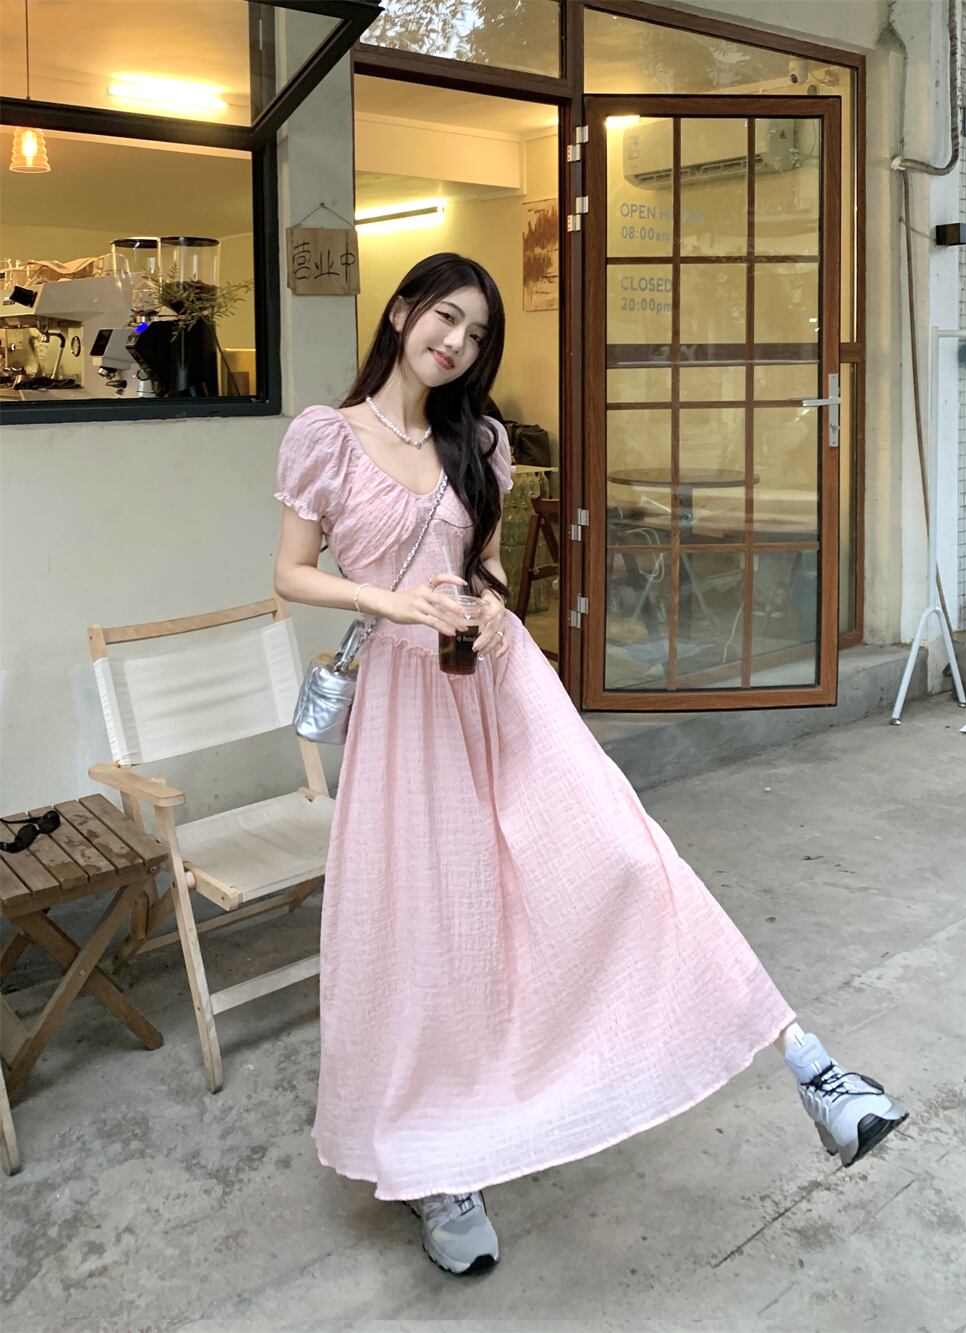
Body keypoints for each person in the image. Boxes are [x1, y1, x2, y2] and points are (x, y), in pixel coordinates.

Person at [273, 252, 907, 1278]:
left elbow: (481, 566)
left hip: (496, 680)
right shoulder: (326, 437)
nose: (456, 343)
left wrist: (484, 608)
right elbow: (291, 572)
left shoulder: (478, 441)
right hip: (404, 705)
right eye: (445, 318)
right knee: (427, 921)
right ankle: (440, 1166)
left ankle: (812, 1066)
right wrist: (394, 603)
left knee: (624, 854)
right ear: (400, 313)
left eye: (477, 334)